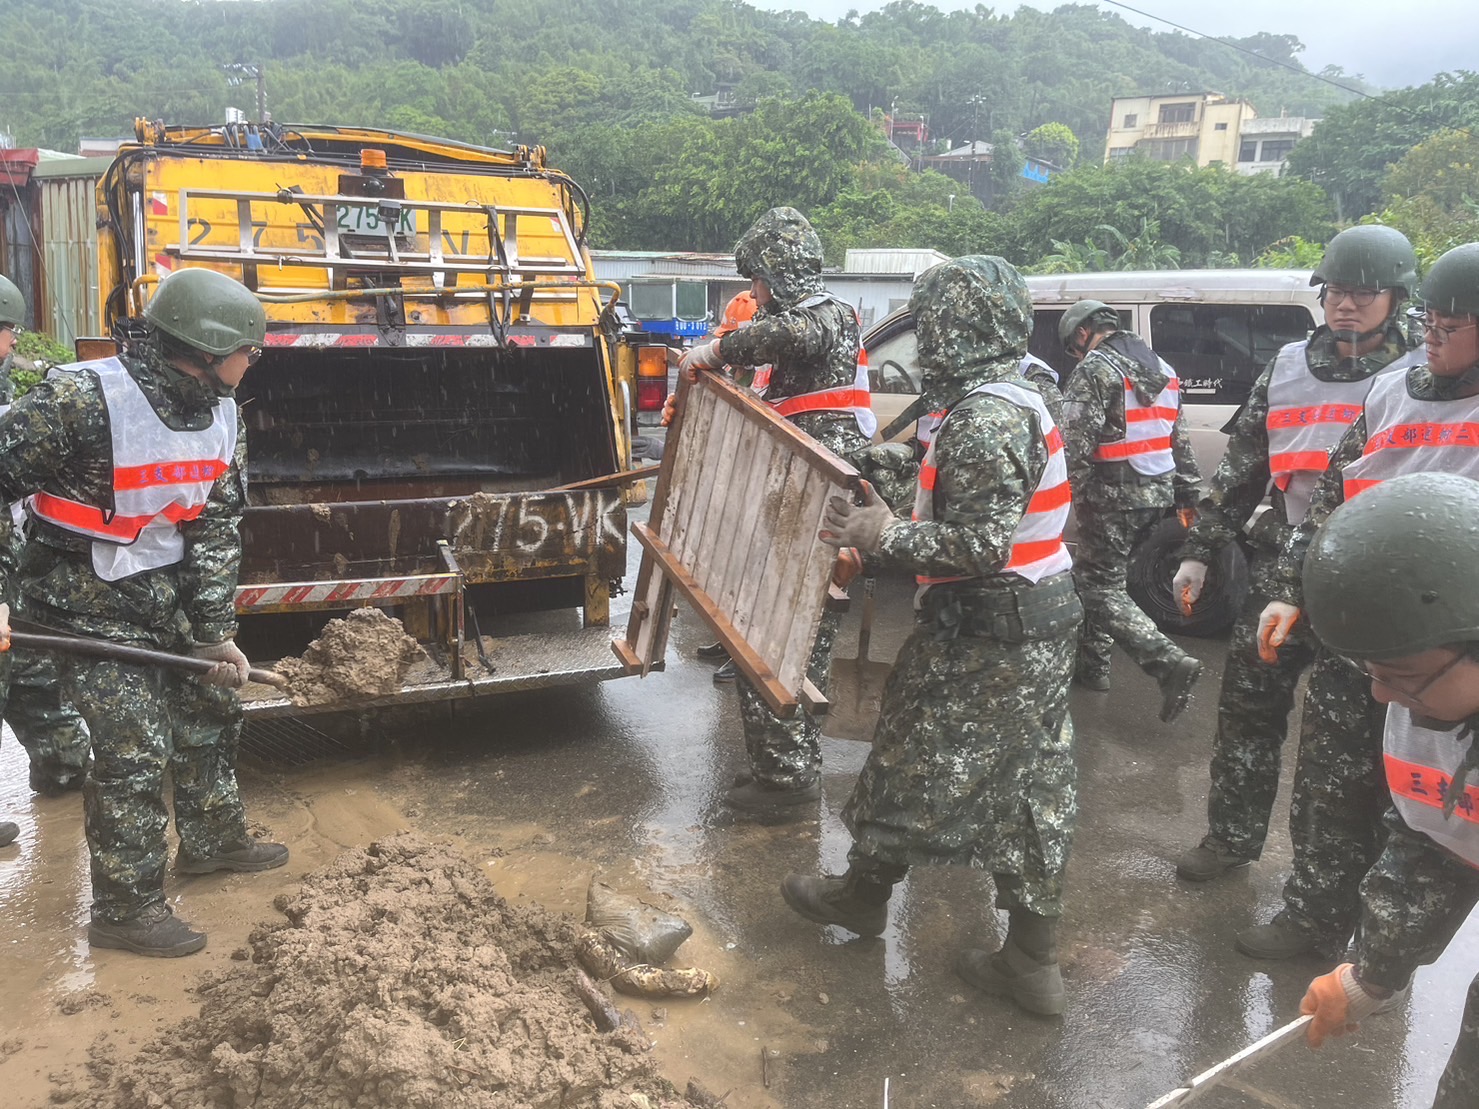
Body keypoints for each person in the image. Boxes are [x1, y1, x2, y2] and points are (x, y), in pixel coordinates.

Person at [780, 256, 1083, 1017]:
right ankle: (1027, 957)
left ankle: (866, 897)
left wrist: (883, 534)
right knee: (1029, 784)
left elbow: (978, 542)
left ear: (956, 326)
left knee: (920, 758)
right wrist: (877, 461)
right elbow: (942, 473)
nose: (926, 341)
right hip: (1030, 627)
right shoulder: (1007, 392)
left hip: (988, 634)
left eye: (932, 324)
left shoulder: (985, 416)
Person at [0, 267, 288, 956]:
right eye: (252, 348)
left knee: (212, 705)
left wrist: (215, 633)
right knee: (133, 748)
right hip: (76, 597)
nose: (256, 359)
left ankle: (213, 838)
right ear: (209, 348)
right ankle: (126, 907)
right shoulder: (79, 399)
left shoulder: (221, 415)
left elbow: (215, 527)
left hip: (161, 591)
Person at [1238, 240, 1479, 959]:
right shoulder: (1390, 388)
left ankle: (1380, 949)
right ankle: (1312, 918)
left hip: (1449, 655)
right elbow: (1332, 501)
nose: (1430, 339)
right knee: (1328, 784)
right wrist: (1291, 591)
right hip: (1362, 637)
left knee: (1423, 801)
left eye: (1448, 327)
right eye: (1429, 323)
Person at [1172, 226, 1423, 882]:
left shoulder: (1420, 373)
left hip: (1374, 574)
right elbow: (1240, 468)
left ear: (1396, 297)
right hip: (1283, 559)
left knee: (1345, 744)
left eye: (1363, 292)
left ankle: (1329, 882)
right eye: (1336, 290)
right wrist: (1199, 549)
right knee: (1247, 705)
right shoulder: (1285, 365)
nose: (1345, 304)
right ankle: (1228, 838)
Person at [678, 207, 874, 815]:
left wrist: (711, 351)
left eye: (759, 281)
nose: (755, 294)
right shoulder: (804, 326)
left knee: (783, 635)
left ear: (781, 275)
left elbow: (785, 334)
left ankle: (786, 782)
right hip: (794, 495)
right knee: (773, 634)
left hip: (808, 502)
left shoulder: (822, 317)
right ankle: (781, 771)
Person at [1295, 471, 1479, 1108]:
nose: (1379, 694)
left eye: (1399, 675)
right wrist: (1372, 975)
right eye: (1371, 671)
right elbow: (1440, 841)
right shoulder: (1432, 699)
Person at [1059, 299, 1202, 721]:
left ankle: (1167, 661)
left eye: (1074, 347)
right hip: (1155, 495)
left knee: (1096, 587)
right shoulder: (1164, 369)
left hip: (1111, 495)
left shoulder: (1096, 369)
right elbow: (1181, 440)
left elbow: (1074, 445)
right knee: (1105, 579)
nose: (1077, 355)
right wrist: (1188, 495)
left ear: (1084, 333)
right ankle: (1094, 669)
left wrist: (1062, 499)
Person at [0, 275, 93, 800]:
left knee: (35, 679)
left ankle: (62, 767)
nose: (14, 342)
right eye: (9, 330)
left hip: (16, 573)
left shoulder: (8, 384)